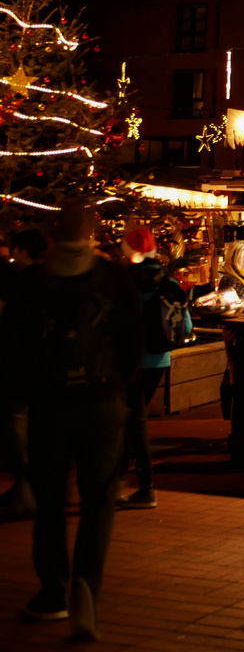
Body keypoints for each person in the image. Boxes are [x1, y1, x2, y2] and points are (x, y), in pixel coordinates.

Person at [7, 200, 143, 641]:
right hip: (101, 401)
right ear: (92, 230)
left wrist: (21, 399)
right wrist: (120, 392)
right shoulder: (111, 278)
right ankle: (87, 587)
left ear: (52, 231)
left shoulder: (32, 281)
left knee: (50, 502)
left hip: (50, 404)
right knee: (98, 499)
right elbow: (132, 342)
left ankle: (53, 592)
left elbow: (12, 347)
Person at [119, 226, 192, 511]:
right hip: (160, 360)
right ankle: (125, 482)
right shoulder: (169, 282)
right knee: (133, 420)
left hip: (131, 361)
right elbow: (185, 326)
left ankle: (145, 486)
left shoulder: (127, 282)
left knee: (133, 423)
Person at [0, 227, 46, 519]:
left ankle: (28, 489)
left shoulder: (26, 281)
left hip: (23, 367)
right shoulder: (47, 277)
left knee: (16, 424)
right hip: (40, 367)